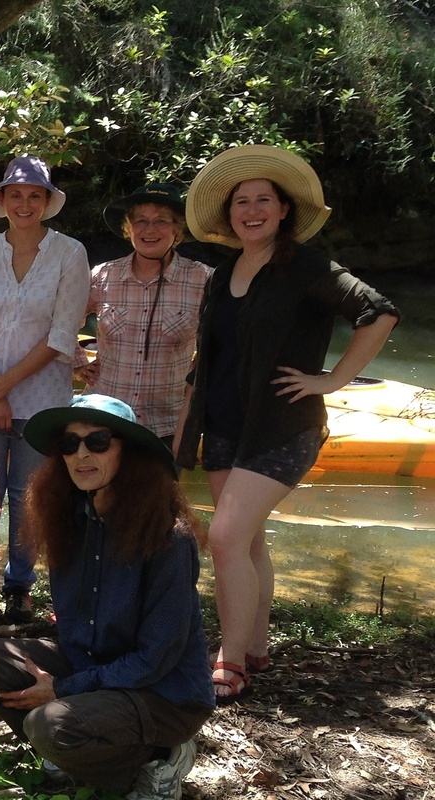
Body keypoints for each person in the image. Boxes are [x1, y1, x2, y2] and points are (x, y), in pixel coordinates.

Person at [178, 145, 398, 702]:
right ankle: (254, 644)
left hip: (283, 425)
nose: (251, 211)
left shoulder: (308, 266)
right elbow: (210, 360)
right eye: (241, 203)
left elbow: (379, 312)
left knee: (226, 537)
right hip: (226, 424)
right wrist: (186, 426)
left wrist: (332, 381)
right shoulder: (222, 273)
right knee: (248, 541)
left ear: (282, 211)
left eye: (263, 201)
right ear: (229, 217)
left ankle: (229, 661)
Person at [0, 394, 214, 800]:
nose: (81, 455)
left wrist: (65, 689)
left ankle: (161, 757)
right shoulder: (65, 518)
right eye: (69, 444)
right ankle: (83, 746)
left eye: (98, 442)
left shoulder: (168, 537)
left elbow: (155, 658)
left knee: (50, 725)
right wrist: (67, 684)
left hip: (163, 694)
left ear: (130, 453)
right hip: (91, 668)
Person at [0, 155, 89, 623]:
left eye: (35, 195)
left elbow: (62, 334)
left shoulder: (70, 254)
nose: (25, 203)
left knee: (30, 497)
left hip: (43, 400)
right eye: (16, 194)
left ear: (48, 201)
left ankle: (18, 587)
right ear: (3, 200)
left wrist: (4, 387)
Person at [76, 185, 212, 447]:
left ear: (177, 229)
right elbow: (63, 321)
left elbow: (222, 340)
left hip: (168, 425)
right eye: (141, 221)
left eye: (161, 221)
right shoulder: (102, 276)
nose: (150, 230)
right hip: (103, 417)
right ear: (129, 228)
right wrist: (79, 364)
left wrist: (197, 377)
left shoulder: (203, 280)